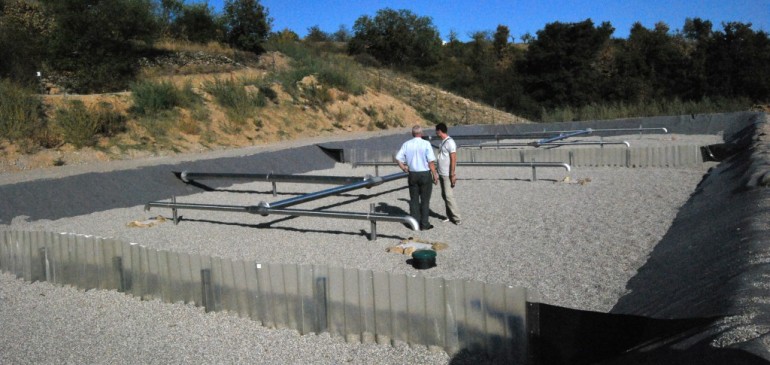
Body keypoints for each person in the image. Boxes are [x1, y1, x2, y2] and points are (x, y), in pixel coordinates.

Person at [395, 125, 439, 230]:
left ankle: (414, 224)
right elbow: (431, 161)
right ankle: (424, 224)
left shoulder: (406, 144)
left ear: (412, 133)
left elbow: (398, 158)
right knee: (425, 200)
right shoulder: (426, 144)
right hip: (424, 173)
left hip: (412, 174)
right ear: (421, 133)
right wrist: (435, 174)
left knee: (414, 200)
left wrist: (404, 168)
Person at [435, 123, 462, 225]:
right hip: (441, 172)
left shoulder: (450, 142)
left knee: (448, 195)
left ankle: (457, 217)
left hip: (447, 173)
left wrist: (452, 174)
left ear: (439, 131)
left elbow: (453, 158)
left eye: (436, 131)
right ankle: (449, 215)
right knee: (444, 195)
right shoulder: (442, 142)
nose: (435, 133)